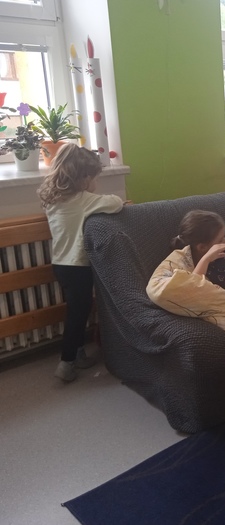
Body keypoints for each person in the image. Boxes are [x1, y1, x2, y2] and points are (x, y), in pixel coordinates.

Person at [37, 144, 126, 382]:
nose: (95, 182)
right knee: (78, 314)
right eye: (94, 177)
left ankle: (78, 353)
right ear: (84, 178)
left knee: (76, 309)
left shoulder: (53, 201)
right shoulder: (85, 200)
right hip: (78, 267)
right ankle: (66, 362)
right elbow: (116, 202)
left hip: (60, 265)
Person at [170, 210, 225, 288]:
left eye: (224, 236)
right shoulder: (191, 267)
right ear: (202, 247)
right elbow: (194, 287)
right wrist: (206, 259)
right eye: (220, 240)